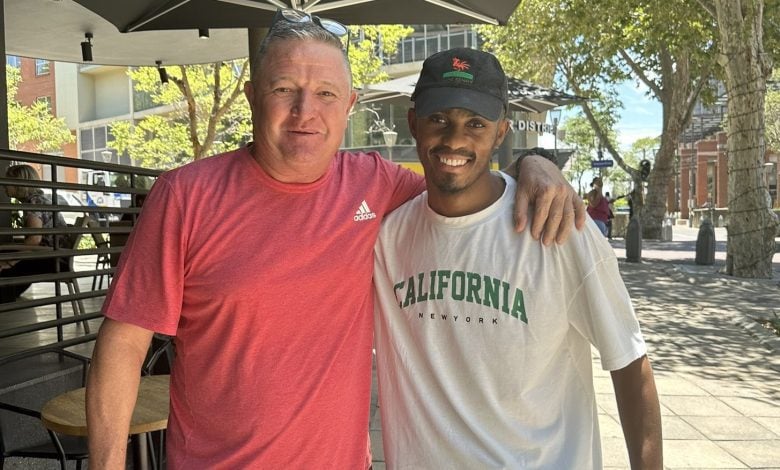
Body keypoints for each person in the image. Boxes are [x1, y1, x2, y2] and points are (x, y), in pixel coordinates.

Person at [85, 10, 585, 469]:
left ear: (348, 105)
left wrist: (533, 165)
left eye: (326, 93)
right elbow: (123, 346)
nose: (306, 111)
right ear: (253, 96)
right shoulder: (186, 196)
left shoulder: (375, 184)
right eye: (284, 89)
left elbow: (461, 183)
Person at [373, 48, 662, 469]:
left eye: (475, 123)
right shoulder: (385, 239)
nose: (455, 139)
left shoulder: (560, 228)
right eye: (439, 119)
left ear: (501, 132)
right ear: (413, 122)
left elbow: (630, 362)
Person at [0, 164, 69, 302]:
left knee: (6, 267)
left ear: (19, 183)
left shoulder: (33, 202)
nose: (4, 186)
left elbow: (34, 240)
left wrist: (10, 261)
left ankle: (6, 300)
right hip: (56, 255)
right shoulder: (38, 199)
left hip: (53, 258)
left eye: (7, 182)